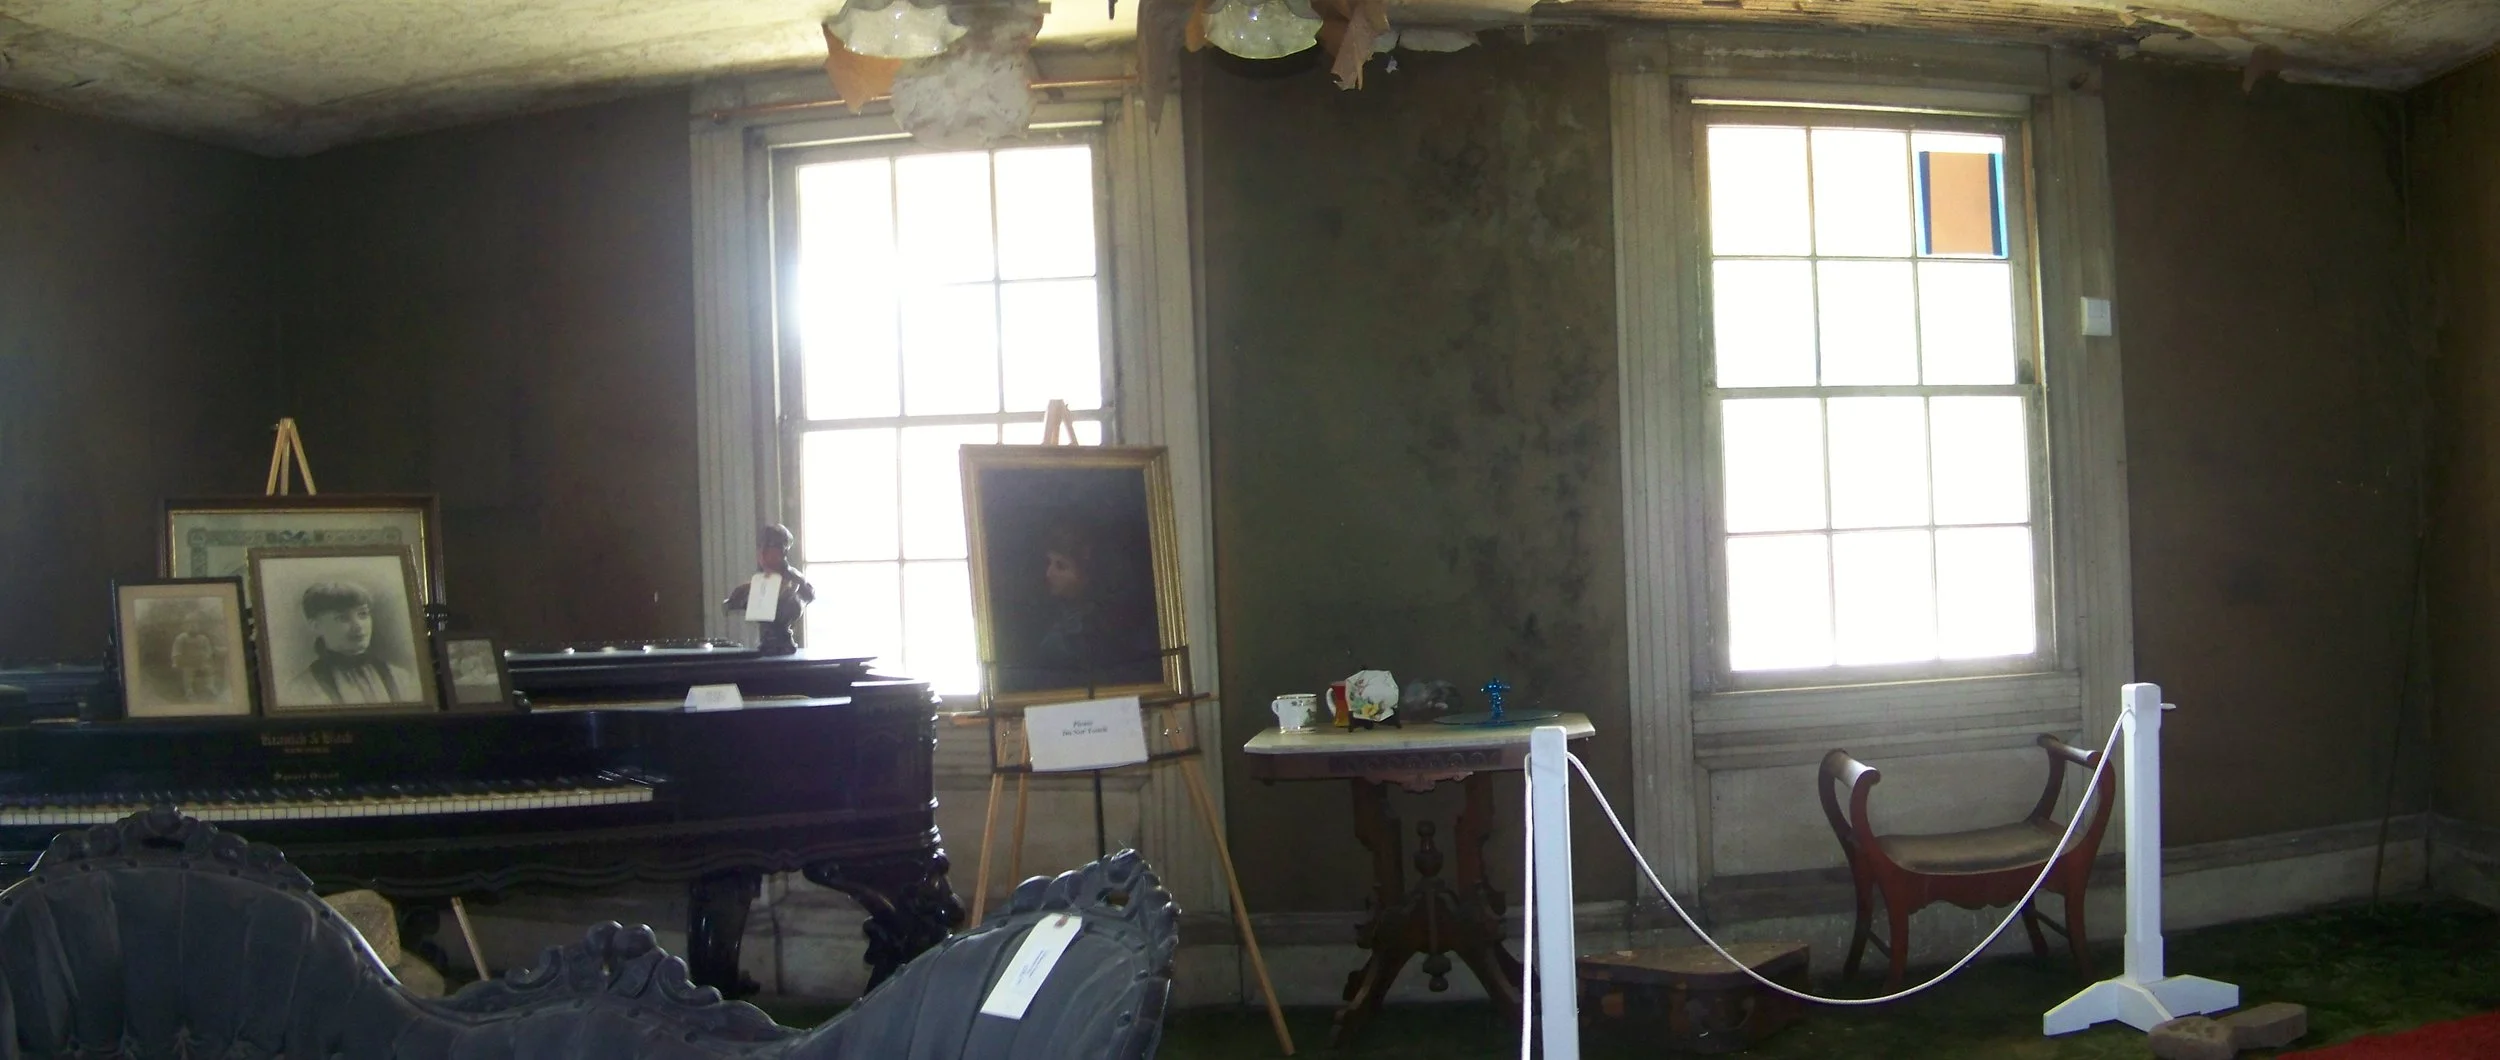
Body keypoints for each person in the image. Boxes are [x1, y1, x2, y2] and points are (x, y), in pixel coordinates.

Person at [1017, 521, 1161, 692]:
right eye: (1049, 562)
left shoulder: (1105, 628)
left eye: (1061, 566)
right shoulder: (1044, 616)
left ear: (1088, 574)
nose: (1049, 574)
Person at [282, 581, 420, 706]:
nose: (358, 626)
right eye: (342, 618)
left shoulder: (401, 678)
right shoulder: (303, 689)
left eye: (363, 615)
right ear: (316, 626)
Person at [721, 524, 815, 655]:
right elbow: (731, 603)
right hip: (764, 648)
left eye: (770, 545)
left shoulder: (797, 583)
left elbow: (804, 597)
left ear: (784, 550)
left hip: (784, 646)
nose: (763, 551)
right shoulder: (749, 587)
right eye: (760, 545)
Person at [168, 613, 221, 702]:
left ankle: (210, 686)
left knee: (209, 670)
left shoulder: (203, 638)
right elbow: (176, 650)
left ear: (199, 626)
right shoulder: (181, 638)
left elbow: (208, 649)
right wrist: (175, 661)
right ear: (184, 626)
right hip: (187, 662)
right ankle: (189, 691)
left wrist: (207, 657)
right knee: (188, 674)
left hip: (201, 661)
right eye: (189, 625)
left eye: (195, 625)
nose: (193, 627)